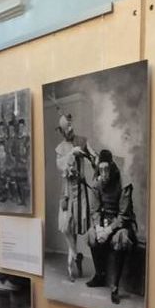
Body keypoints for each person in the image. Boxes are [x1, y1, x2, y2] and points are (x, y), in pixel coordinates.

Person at [86, 150, 137, 305]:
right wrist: (99, 227)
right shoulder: (96, 182)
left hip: (122, 224)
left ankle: (114, 286)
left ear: (112, 167)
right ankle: (100, 275)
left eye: (106, 169)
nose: (104, 173)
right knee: (91, 235)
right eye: (100, 169)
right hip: (104, 222)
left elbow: (124, 215)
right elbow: (94, 210)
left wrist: (109, 230)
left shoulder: (124, 182)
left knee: (119, 239)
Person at [54, 111, 97, 281]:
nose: (70, 129)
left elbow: (93, 155)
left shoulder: (82, 141)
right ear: (63, 130)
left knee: (77, 228)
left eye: (71, 125)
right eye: (67, 127)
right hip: (66, 193)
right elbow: (60, 166)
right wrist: (72, 154)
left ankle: (75, 256)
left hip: (81, 193)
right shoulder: (60, 148)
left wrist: (95, 159)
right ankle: (72, 260)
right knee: (67, 228)